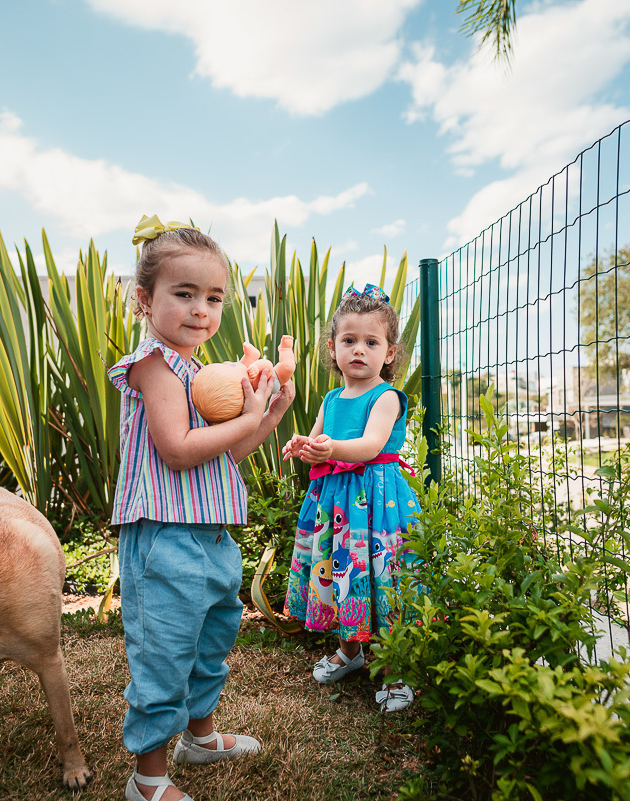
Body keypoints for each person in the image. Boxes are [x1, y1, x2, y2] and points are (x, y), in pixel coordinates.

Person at [109, 215, 295, 801]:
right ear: (145, 299)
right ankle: (148, 779)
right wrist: (245, 414)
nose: (200, 310)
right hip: (164, 538)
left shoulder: (202, 372)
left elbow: (228, 453)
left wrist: (268, 413)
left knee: (210, 645)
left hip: (213, 537)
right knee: (163, 656)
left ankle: (199, 737)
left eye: (212, 297)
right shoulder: (155, 367)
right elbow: (178, 449)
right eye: (183, 294)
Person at [281, 283, 419, 713]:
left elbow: (372, 445)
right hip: (335, 501)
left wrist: (329, 449)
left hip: (375, 500)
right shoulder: (330, 397)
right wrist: (304, 445)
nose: (359, 350)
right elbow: (322, 440)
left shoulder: (387, 397)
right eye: (349, 340)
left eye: (371, 342)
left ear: (390, 353)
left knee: (381, 575)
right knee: (340, 569)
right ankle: (351, 650)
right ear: (333, 348)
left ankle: (395, 666)